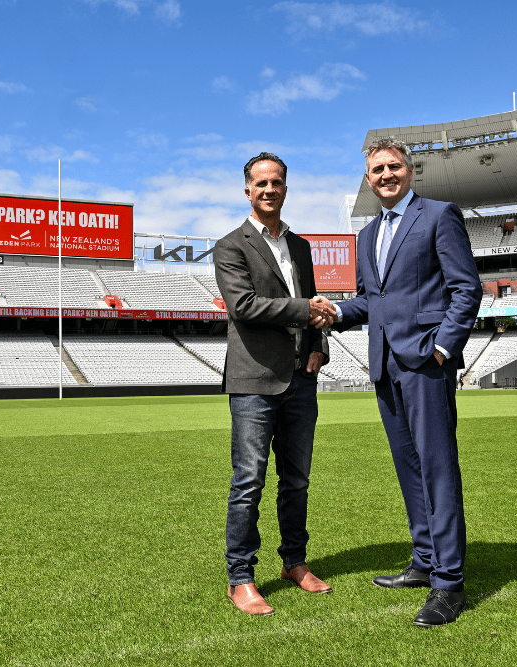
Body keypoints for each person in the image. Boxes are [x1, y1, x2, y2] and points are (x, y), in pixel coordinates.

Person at [314, 137, 481, 627]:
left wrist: (444, 348)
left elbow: (465, 287)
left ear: (409, 170)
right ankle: (425, 560)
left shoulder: (438, 215)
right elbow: (373, 301)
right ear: (367, 179)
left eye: (393, 167)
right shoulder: (365, 238)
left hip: (426, 363)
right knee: (409, 469)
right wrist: (338, 311)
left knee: (437, 469)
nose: (386, 175)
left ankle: (449, 583)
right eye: (376, 170)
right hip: (385, 365)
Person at [214, 152, 335, 616]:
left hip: (301, 378)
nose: (269, 189)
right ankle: (240, 576)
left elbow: (311, 304)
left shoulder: (301, 247)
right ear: (247, 190)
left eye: (276, 182)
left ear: (286, 188)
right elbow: (244, 306)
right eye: (260, 183)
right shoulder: (230, 246)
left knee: (297, 480)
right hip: (253, 380)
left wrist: (318, 344)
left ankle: (294, 562)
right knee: (248, 481)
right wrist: (307, 311)